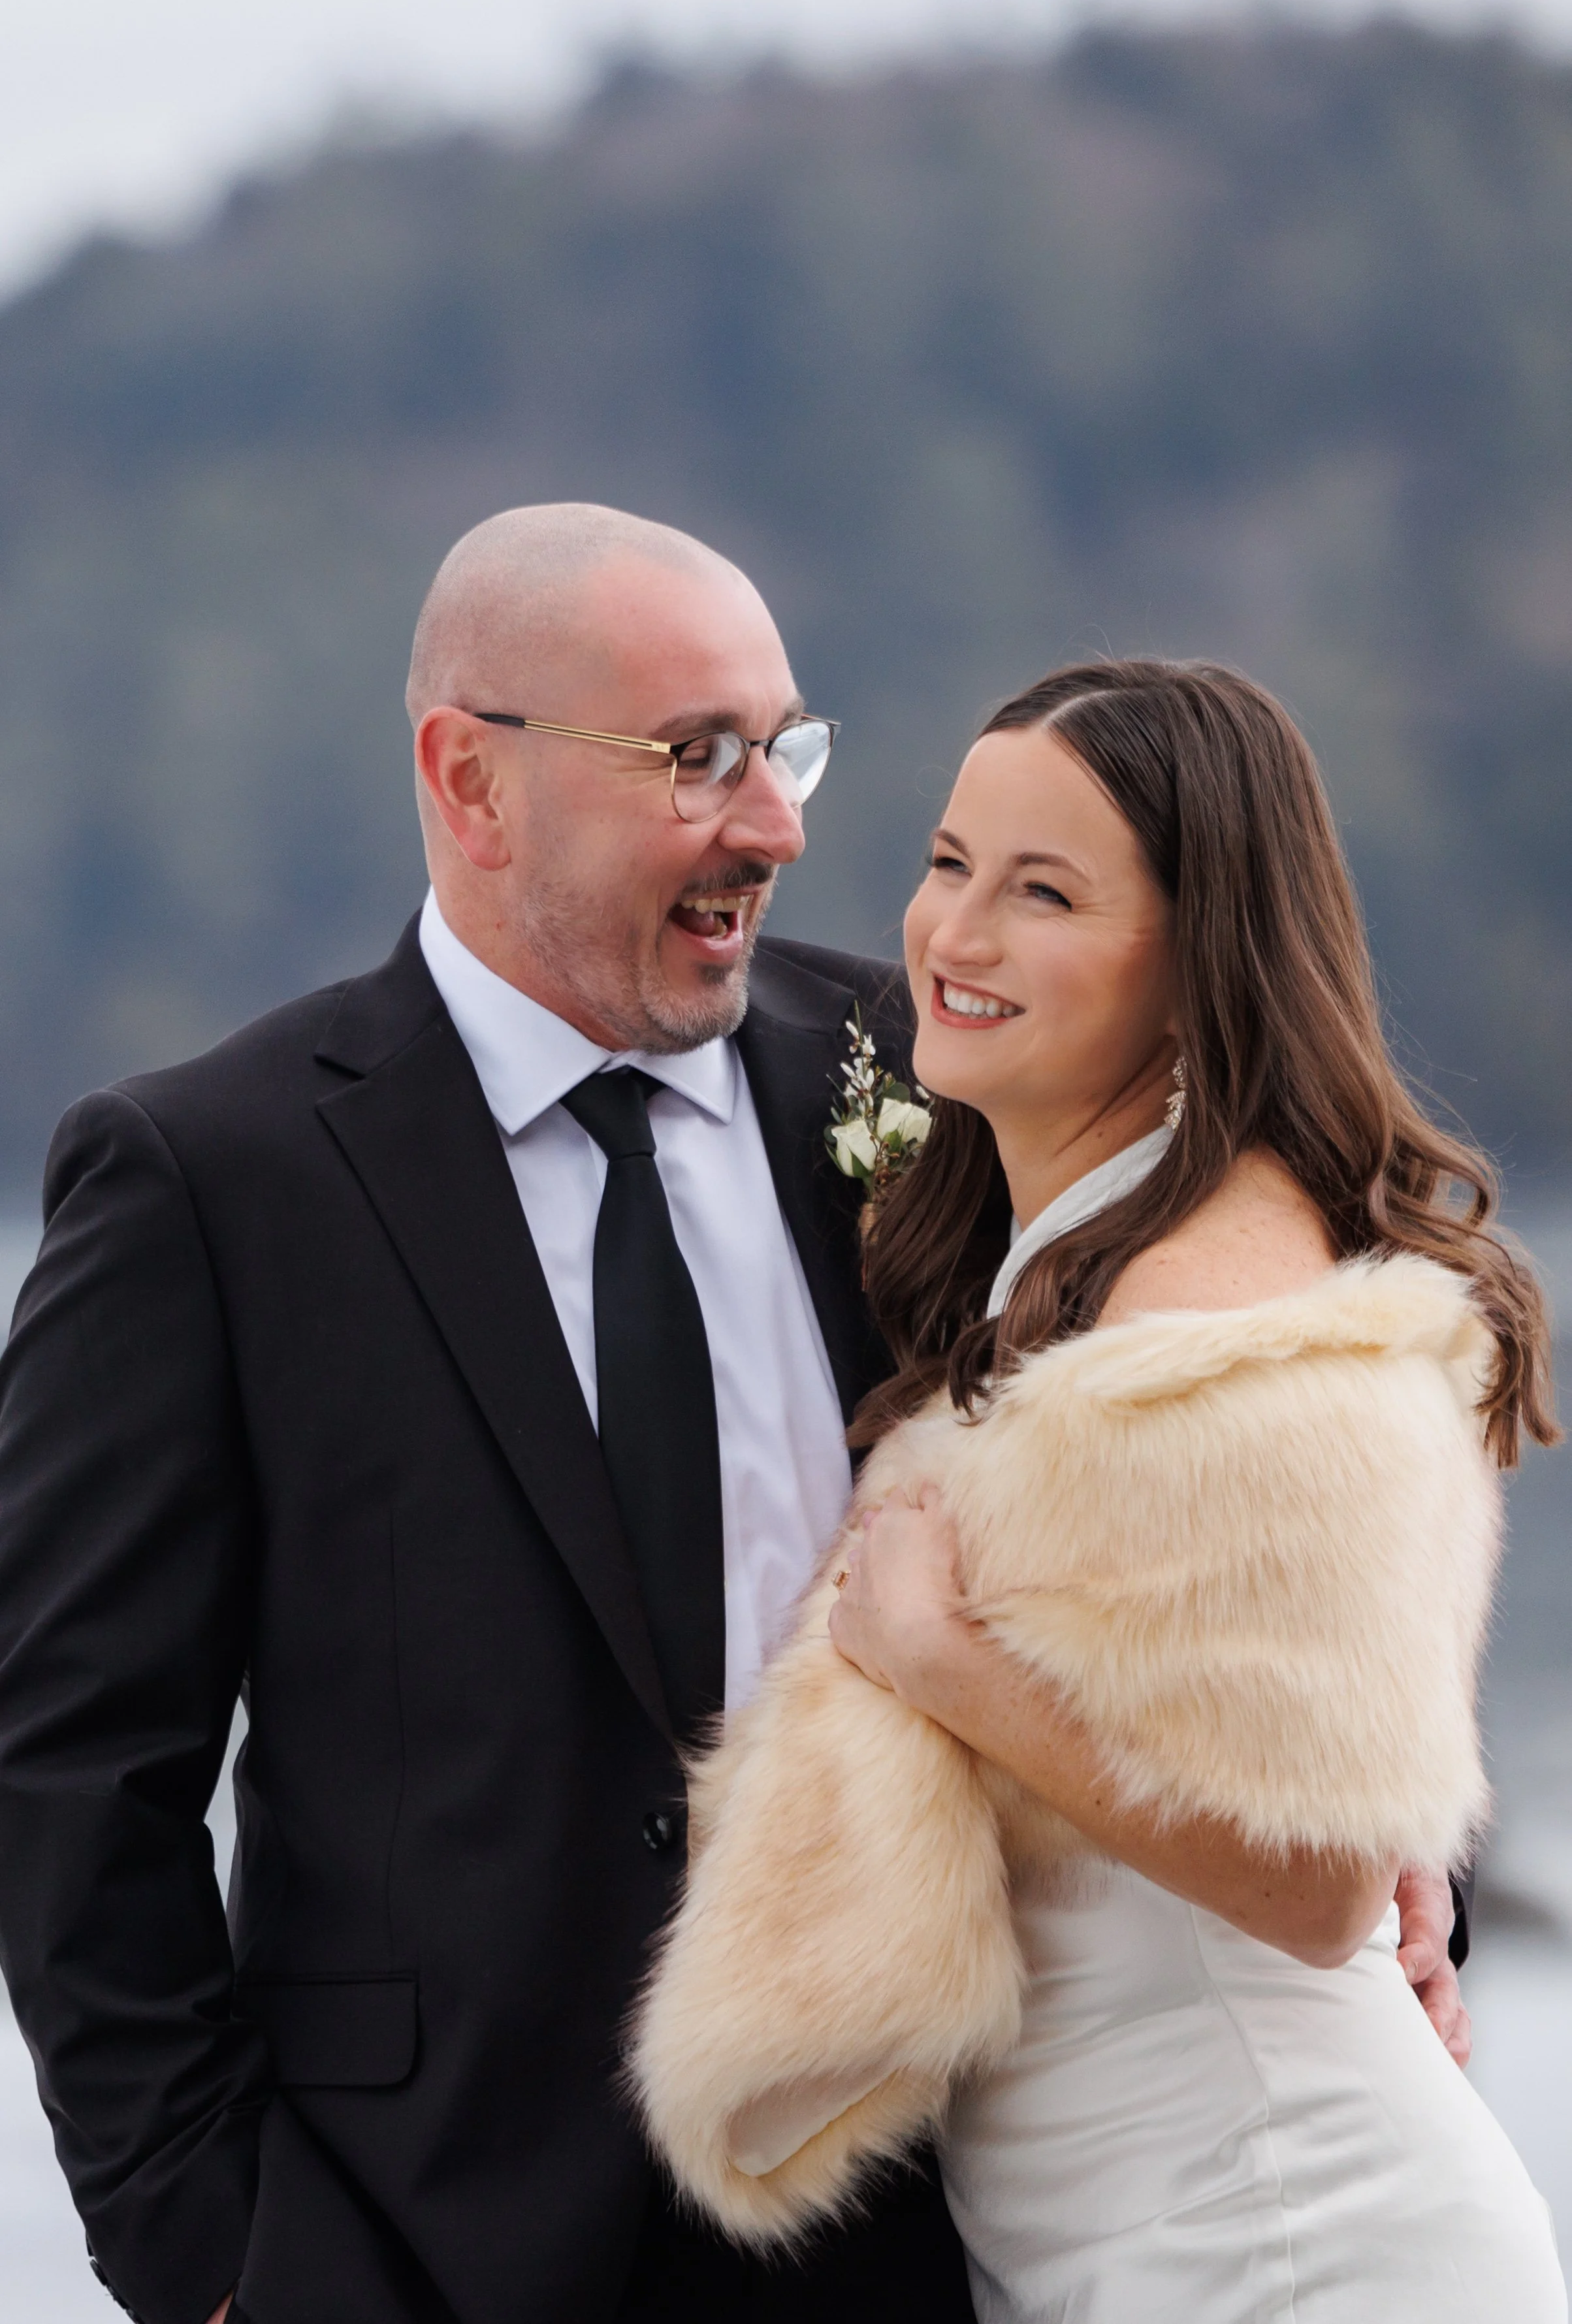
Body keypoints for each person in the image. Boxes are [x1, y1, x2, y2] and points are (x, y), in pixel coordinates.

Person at [0, 506, 976, 2323]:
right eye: (695, 757)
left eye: (783, 746)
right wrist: (217, 2255)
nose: (771, 822)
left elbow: (1200, 1429)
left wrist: (1399, 1852)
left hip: (918, 2238)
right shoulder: (204, 1178)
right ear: (471, 779)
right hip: (418, 2243)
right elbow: (73, 1776)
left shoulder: (920, 1075)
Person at [632, 659, 1566, 2320]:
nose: (956, 935)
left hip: (1292, 2238)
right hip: (1124, 2237)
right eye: (946, 862)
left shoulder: (1221, 1329)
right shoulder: (1073, 1259)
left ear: (1198, 961)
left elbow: (1323, 1879)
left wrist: (947, 1665)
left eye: (1043, 891)